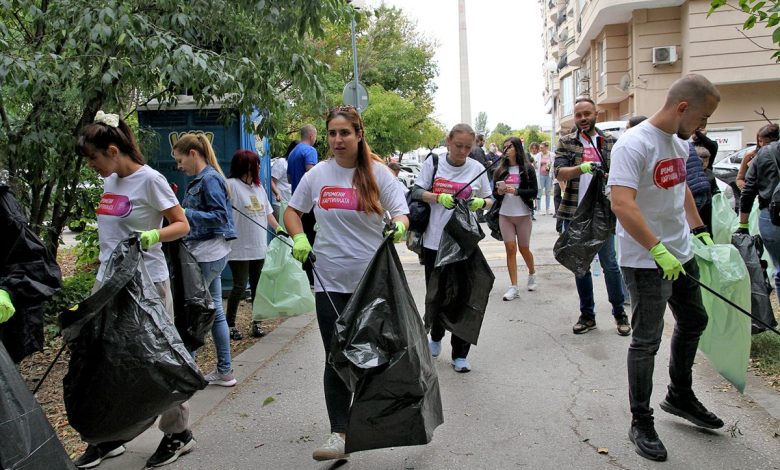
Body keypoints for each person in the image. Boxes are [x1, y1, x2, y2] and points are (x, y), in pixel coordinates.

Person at [609, 74, 724, 462]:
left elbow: (681, 187)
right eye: (703, 118)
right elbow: (622, 203)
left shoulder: (678, 141)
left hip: (681, 252)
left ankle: (680, 395)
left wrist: (699, 230)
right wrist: (656, 249)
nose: (703, 127)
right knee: (646, 341)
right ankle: (641, 421)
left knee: (694, 320)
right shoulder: (633, 144)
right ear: (682, 107)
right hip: (646, 261)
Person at [283, 105, 409, 462]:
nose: (337, 140)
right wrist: (298, 237)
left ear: (358, 135)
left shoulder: (378, 174)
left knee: (376, 356)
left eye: (345, 133)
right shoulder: (318, 175)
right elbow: (293, 211)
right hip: (330, 280)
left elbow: (402, 213)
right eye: (332, 133)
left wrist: (399, 227)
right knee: (336, 356)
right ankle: (339, 433)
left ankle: (378, 420)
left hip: (373, 282)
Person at [75, 112, 194, 468]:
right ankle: (109, 436)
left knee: (158, 360)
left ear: (113, 151)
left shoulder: (150, 180)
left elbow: (182, 224)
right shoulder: (110, 181)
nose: (91, 165)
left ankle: (178, 433)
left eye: (94, 158)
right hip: (108, 284)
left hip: (146, 284)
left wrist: (154, 235)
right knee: (105, 360)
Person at [411, 123, 493, 373]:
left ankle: (460, 353)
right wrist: (437, 197)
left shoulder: (477, 168)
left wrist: (480, 203)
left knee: (462, 297)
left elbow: (490, 200)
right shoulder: (434, 162)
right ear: (448, 141)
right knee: (436, 294)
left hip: (463, 243)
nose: (463, 152)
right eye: (458, 146)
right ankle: (435, 337)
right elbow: (416, 191)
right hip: (434, 242)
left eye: (468, 147)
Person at [554, 97, 629, 336]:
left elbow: (620, 174)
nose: (583, 118)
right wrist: (581, 168)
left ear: (596, 114)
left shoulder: (609, 142)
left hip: (603, 213)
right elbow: (559, 172)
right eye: (578, 115)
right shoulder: (567, 142)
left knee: (610, 264)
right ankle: (587, 315)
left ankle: (619, 313)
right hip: (575, 212)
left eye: (587, 113)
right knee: (581, 266)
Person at [173, 133, 237, 388]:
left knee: (194, 312)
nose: (179, 167)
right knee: (215, 312)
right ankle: (225, 371)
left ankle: (187, 374)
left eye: (180, 161)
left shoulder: (209, 179)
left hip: (206, 253)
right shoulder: (210, 177)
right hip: (211, 252)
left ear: (193, 154)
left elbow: (220, 217)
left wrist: (185, 212)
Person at [226, 149, 279, 340]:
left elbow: (267, 213)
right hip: (238, 247)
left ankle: (257, 323)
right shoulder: (230, 185)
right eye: (254, 164)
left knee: (258, 286)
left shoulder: (259, 187)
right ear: (245, 166)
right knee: (239, 286)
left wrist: (279, 229)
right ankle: (230, 325)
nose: (257, 167)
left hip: (258, 245)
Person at [494, 137, 538, 300]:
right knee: (510, 249)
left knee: (524, 248)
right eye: (504, 147)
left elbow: (534, 192)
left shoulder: (527, 168)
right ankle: (514, 287)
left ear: (517, 148)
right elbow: (494, 194)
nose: (506, 150)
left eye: (510, 147)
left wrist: (517, 191)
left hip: (523, 215)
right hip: (505, 214)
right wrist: (499, 192)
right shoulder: (499, 170)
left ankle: (532, 273)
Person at [739, 139, 780, 303]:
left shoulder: (765, 153)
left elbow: (748, 189)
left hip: (771, 216)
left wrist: (743, 224)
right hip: (772, 216)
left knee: (779, 267)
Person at [287, 125, 319, 287]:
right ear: (312, 135)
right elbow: (311, 174)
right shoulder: (310, 151)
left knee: (303, 238)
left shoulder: (293, 152)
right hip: (310, 203)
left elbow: (288, 178)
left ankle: (306, 278)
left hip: (297, 202)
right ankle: (314, 278)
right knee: (313, 239)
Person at [736, 123, 780, 190]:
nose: (763, 144)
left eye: (767, 142)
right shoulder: (750, 156)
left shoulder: (776, 155)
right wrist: (747, 190)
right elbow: (740, 179)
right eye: (760, 141)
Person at [270, 140, 296, 220]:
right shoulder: (282, 162)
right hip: (279, 203)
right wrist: (277, 193)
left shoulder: (296, 164)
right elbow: (271, 181)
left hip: (289, 204)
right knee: (280, 227)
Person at [536, 142, 554, 215]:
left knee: (548, 192)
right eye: (540, 147)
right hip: (540, 175)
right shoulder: (538, 155)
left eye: (542, 147)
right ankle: (539, 209)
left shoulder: (552, 155)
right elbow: (536, 166)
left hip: (549, 175)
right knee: (539, 192)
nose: (541, 149)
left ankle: (548, 209)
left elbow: (553, 164)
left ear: (546, 147)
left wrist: (550, 166)